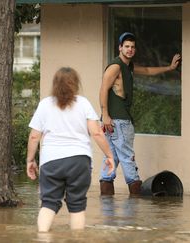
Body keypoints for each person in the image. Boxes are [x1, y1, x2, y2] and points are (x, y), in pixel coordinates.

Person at [26, 67, 115, 232]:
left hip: (51, 161)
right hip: (79, 161)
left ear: (54, 85)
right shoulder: (83, 103)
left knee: (49, 204)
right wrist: (109, 156)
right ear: (75, 84)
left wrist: (30, 160)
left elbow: (34, 137)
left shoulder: (45, 104)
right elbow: (96, 132)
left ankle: (42, 238)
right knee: (77, 205)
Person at [99, 32, 181, 196]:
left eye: (132, 47)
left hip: (114, 121)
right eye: (126, 46)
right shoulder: (115, 66)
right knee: (128, 158)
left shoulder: (128, 66)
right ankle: (135, 205)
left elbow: (147, 70)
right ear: (120, 48)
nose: (130, 50)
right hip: (118, 120)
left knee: (111, 159)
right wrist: (105, 114)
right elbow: (103, 89)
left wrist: (170, 68)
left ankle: (107, 209)